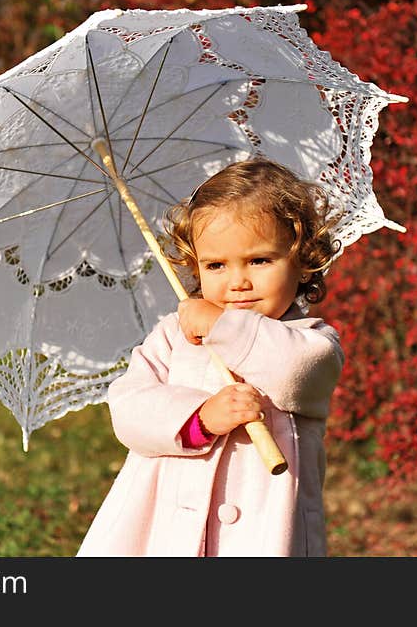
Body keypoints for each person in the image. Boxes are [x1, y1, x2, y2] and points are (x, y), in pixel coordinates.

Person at [77, 158, 344, 557]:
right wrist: (200, 418)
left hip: (262, 536)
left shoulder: (312, 341)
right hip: (162, 533)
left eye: (259, 260)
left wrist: (222, 325)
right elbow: (129, 407)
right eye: (216, 265)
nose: (237, 281)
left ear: (304, 260)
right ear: (195, 266)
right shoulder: (174, 334)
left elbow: (294, 374)